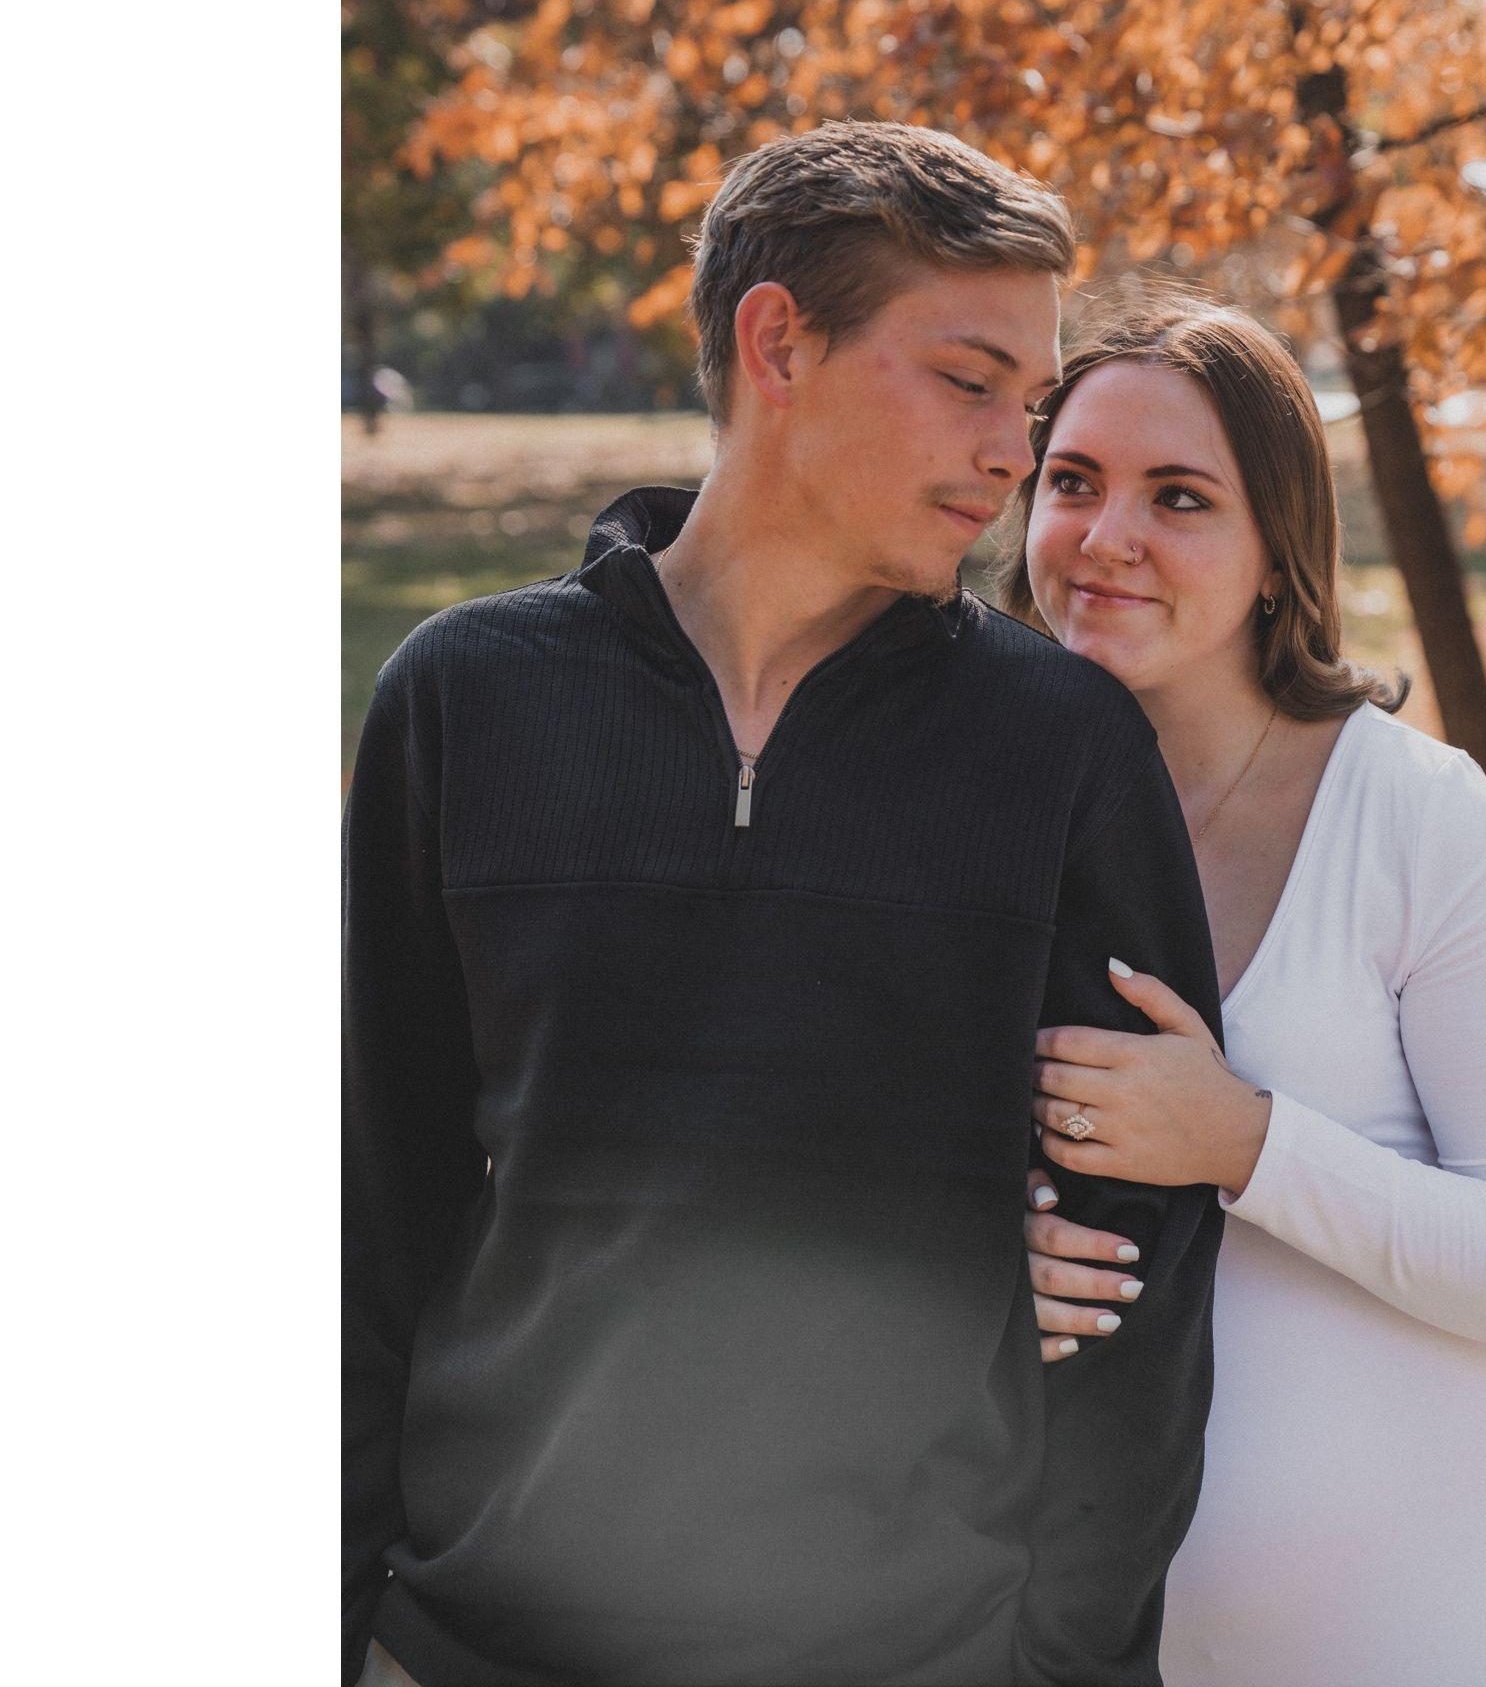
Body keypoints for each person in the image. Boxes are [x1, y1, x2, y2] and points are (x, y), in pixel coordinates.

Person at [342, 125, 1227, 1687]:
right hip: (483, 1640)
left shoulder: (1061, 748)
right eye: (969, 382)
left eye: (1028, 404)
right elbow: (365, 1209)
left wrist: (1059, 1665)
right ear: (779, 344)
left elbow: (1137, 1284)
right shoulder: (466, 701)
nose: (1014, 454)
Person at [995, 285, 1486, 1687]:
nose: (1106, 535)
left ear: (1280, 552)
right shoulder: (986, 812)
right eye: (1074, 481)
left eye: (1180, 497)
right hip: (1088, 1635)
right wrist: (983, 1245)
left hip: (1418, 1635)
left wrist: (1246, 1144)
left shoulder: (1415, 820)